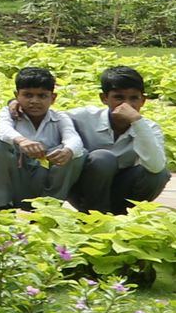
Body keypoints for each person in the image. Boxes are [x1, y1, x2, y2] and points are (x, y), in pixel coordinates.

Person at [0, 66, 88, 210]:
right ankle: (3, 205)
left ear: (53, 98)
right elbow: (3, 129)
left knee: (77, 153)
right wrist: (21, 141)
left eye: (42, 96)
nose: (35, 101)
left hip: (43, 182)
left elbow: (73, 138)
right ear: (16, 96)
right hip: (16, 181)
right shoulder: (9, 114)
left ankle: (49, 207)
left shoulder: (60, 118)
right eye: (28, 95)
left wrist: (67, 151)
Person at [69, 67, 168, 214]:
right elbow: (50, 119)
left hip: (121, 189)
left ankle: (122, 214)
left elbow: (156, 167)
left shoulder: (149, 128)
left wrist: (137, 121)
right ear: (104, 98)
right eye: (119, 98)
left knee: (159, 175)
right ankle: (93, 215)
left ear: (143, 100)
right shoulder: (82, 118)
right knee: (102, 158)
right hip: (85, 191)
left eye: (134, 98)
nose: (126, 105)